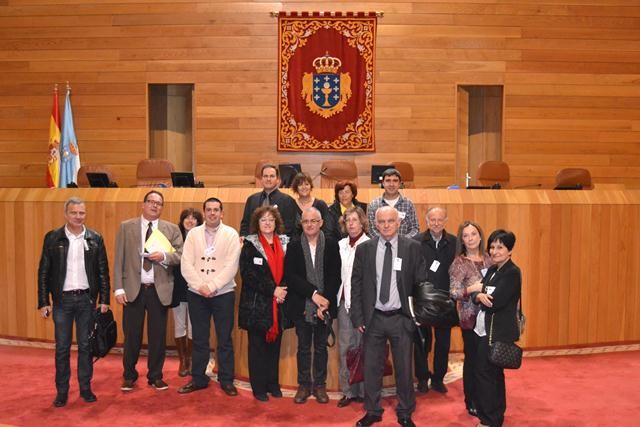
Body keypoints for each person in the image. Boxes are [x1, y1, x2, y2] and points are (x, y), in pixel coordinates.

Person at [350, 206, 427, 427]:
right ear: (375, 224)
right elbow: (356, 284)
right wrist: (358, 317)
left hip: (401, 318)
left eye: (390, 221)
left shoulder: (412, 248)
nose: (385, 226)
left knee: (404, 367)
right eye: (381, 222)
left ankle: (405, 411)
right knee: (371, 367)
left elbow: (421, 283)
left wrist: (417, 314)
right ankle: (373, 410)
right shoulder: (364, 249)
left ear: (398, 223)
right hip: (373, 319)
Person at [37, 196, 110, 407]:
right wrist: (44, 301)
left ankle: (86, 388)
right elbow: (43, 271)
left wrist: (104, 298)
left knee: (86, 346)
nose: (78, 217)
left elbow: (102, 271)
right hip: (62, 302)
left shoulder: (95, 238)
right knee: (62, 348)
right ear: (66, 214)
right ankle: (62, 392)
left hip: (86, 300)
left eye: (82, 213)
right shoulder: (52, 238)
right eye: (74, 213)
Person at [114, 190, 183, 392]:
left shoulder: (171, 229)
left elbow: (180, 255)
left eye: (159, 203)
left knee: (158, 337)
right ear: (143, 204)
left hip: (158, 290)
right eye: (151, 202)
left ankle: (155, 376)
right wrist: (118, 288)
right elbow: (119, 259)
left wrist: (163, 256)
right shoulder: (127, 227)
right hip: (133, 290)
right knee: (132, 336)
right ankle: (129, 375)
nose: (155, 206)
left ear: (162, 207)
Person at [177, 197, 241, 397]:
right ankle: (198, 378)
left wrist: (213, 286)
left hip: (223, 294)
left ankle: (226, 379)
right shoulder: (193, 234)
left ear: (222, 213)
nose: (212, 213)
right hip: (197, 294)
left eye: (216, 210)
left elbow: (231, 266)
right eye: (209, 210)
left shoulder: (231, 234)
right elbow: (186, 264)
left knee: (224, 339)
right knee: (200, 339)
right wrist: (200, 286)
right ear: (204, 213)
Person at [284, 207, 341, 404]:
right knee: (303, 348)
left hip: (325, 306)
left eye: (313, 221)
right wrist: (314, 295)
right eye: (306, 221)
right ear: (302, 224)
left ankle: (319, 385)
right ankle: (303, 385)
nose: (309, 224)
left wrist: (324, 301)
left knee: (321, 348)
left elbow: (336, 276)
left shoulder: (332, 245)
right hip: (302, 306)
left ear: (321, 223)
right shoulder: (293, 246)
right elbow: (291, 277)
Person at [470, 229, 522, 427]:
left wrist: (480, 296)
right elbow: (477, 292)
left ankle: (490, 420)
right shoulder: (492, 270)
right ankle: (493, 416)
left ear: (510, 250)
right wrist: (479, 295)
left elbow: (497, 301)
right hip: (483, 330)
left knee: (488, 375)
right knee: (490, 375)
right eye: (492, 246)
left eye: (500, 247)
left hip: (497, 333)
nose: (494, 251)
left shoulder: (512, 272)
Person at [238, 206, 290, 401]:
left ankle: (272, 384)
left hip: (279, 304)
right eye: (263, 220)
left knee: (274, 348)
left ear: (276, 222)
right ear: (257, 224)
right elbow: (248, 274)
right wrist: (272, 290)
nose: (267, 223)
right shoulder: (250, 245)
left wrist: (282, 289)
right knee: (257, 348)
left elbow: (289, 271)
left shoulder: (284, 243)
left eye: (271, 219)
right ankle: (258, 387)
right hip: (256, 305)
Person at [449, 221, 493, 417]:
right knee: (473, 360)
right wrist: (471, 290)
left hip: (490, 318)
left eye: (473, 234)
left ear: (480, 236)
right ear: (462, 240)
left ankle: (486, 397)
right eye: (465, 235)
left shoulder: (489, 260)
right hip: (470, 319)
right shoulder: (459, 262)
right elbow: (453, 292)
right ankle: (471, 400)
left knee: (487, 361)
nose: (470, 238)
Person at [413, 206, 457, 394]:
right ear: (427, 220)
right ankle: (422, 378)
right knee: (422, 342)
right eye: (433, 220)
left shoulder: (455, 242)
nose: (436, 223)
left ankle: (438, 378)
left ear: (445, 220)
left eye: (440, 220)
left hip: (446, 302)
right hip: (423, 301)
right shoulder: (416, 242)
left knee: (443, 343)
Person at [336, 207, 369, 407]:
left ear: (362, 222)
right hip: (343, 303)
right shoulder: (340, 245)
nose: (351, 224)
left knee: (363, 347)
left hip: (363, 306)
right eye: (347, 220)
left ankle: (365, 391)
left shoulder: (370, 244)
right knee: (345, 349)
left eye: (355, 220)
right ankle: (348, 392)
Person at [170, 207, 203, 377]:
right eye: (187, 218)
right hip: (177, 286)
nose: (190, 221)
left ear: (199, 222)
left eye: (194, 218)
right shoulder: (175, 239)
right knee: (179, 324)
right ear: (182, 220)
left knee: (193, 325)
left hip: (196, 287)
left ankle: (189, 358)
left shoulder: (202, 238)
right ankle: (182, 359)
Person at [240, 163, 297, 237]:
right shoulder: (251, 199)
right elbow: (245, 224)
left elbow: (289, 227)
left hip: (278, 245)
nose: (268, 179)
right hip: (254, 244)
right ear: (261, 179)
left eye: (272, 176)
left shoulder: (288, 201)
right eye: (265, 176)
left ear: (278, 180)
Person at [367, 168, 418, 238]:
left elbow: (415, 229)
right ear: (383, 183)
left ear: (400, 184)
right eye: (388, 181)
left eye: (395, 181)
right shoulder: (374, 205)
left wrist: (402, 241)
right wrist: (385, 241)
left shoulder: (408, 204)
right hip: (380, 246)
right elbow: (371, 230)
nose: (391, 184)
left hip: (403, 246)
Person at [291, 172, 335, 239]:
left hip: (319, 243)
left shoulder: (321, 204)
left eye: (307, 184)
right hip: (296, 244)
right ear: (296, 187)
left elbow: (328, 229)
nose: (304, 187)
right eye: (300, 185)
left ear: (311, 186)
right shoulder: (291, 205)